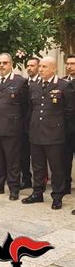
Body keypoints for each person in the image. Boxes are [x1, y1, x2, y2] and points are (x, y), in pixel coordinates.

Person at [22, 56, 72, 210]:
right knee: (37, 166)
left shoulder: (64, 86)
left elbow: (69, 111)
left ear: (54, 69)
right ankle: (37, 193)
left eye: (44, 67)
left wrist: (61, 129)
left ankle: (57, 196)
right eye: (40, 66)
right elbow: (30, 109)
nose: (41, 69)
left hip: (54, 134)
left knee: (57, 168)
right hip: (36, 132)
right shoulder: (33, 85)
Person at [0, 53, 29, 201]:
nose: (1, 66)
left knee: (12, 160)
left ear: (11, 64)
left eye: (5, 63)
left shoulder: (20, 82)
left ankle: (14, 188)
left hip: (11, 128)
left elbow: (26, 107)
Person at [21, 58, 41, 189]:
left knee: (38, 157)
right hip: (23, 124)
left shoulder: (42, 83)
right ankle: (26, 179)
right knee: (23, 154)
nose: (29, 68)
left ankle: (40, 181)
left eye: (32, 66)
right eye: (27, 66)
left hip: (38, 125)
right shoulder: (23, 83)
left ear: (39, 67)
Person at [63, 54, 75, 195]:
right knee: (64, 159)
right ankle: (65, 185)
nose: (70, 66)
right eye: (68, 63)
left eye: (73, 63)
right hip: (66, 128)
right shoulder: (62, 82)